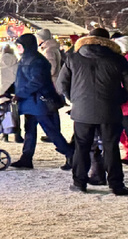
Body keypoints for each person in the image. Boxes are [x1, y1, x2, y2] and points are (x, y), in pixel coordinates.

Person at [58, 28, 128, 194]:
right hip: (110, 110)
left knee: (82, 147)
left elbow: (61, 84)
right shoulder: (118, 59)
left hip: (82, 111)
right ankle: (116, 185)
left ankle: (79, 182)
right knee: (111, 147)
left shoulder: (73, 58)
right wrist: (119, 98)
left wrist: (75, 99)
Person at [11, 34, 73, 169]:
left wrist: (20, 93)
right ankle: (26, 158)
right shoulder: (26, 59)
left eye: (20, 46)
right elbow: (21, 80)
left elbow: (37, 81)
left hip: (39, 101)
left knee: (50, 130)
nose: (18, 48)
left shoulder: (37, 61)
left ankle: (71, 154)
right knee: (30, 130)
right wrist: (11, 90)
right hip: (31, 102)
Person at [0, 43, 21, 141]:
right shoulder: (16, 63)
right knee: (15, 113)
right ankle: (17, 135)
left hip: (1, 91)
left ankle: (5, 135)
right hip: (13, 90)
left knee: (4, 113)